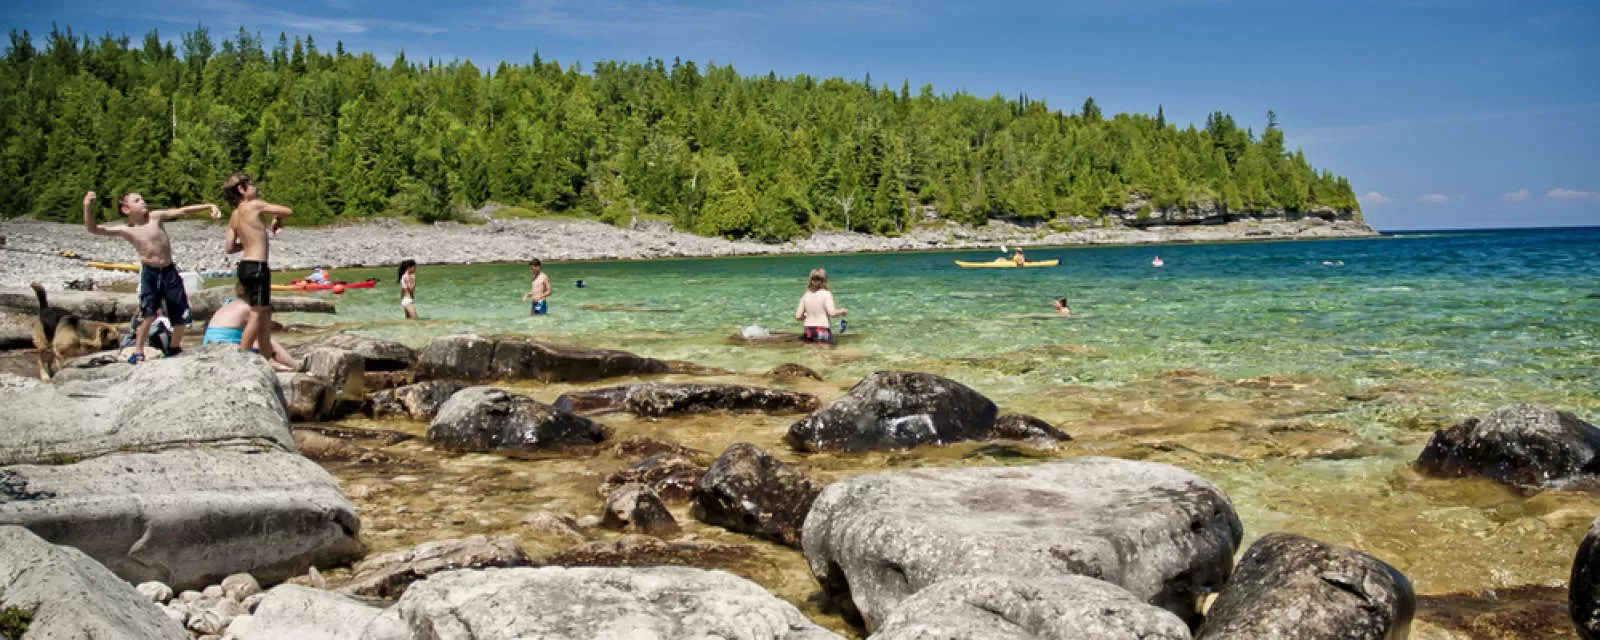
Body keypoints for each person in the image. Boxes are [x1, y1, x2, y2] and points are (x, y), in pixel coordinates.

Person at [82, 190, 220, 363]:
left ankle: (174, 348)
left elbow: (181, 211)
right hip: (150, 273)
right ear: (126, 209)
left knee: (181, 313)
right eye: (137, 200)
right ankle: (138, 350)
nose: (143, 202)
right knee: (147, 314)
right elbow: (93, 229)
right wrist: (87, 206)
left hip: (169, 271)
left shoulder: (155, 217)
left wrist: (209, 206)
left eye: (142, 198)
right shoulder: (127, 230)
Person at [221, 173, 293, 366]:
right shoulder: (255, 205)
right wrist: (277, 218)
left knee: (264, 312)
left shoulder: (235, 215)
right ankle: (243, 356)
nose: (255, 188)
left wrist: (248, 242)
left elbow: (229, 247)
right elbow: (288, 210)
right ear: (241, 189)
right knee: (257, 313)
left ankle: (267, 356)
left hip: (244, 266)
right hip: (258, 266)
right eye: (251, 185)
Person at [202, 284, 297, 371]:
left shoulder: (230, 302)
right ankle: (294, 366)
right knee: (270, 342)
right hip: (225, 352)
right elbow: (261, 343)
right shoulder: (253, 310)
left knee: (256, 341)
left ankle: (291, 365)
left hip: (209, 347)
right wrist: (268, 361)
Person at [795, 268, 847, 345]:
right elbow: (832, 313)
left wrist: (808, 315)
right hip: (822, 328)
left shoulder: (805, 296)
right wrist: (842, 311)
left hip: (808, 329)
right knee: (825, 355)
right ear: (825, 280)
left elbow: (798, 316)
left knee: (810, 354)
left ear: (810, 280)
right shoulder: (826, 294)